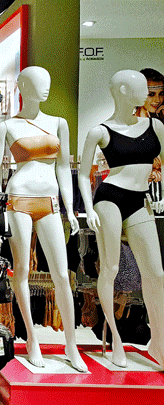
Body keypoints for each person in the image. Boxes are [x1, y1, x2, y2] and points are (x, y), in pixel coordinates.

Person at [0, 66, 88, 372]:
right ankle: (32, 339)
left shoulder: (59, 123)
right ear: (22, 86)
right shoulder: (6, 126)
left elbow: (64, 168)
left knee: (61, 274)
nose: (44, 87)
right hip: (18, 198)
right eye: (36, 82)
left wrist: (70, 208)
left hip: (50, 201)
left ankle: (71, 344)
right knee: (21, 271)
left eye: (47, 81)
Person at [78, 70, 164, 368]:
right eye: (141, 87)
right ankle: (114, 337)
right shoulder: (100, 131)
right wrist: (88, 208)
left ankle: (159, 342)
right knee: (111, 268)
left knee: (156, 274)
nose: (148, 93)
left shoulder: (155, 126)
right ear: (122, 90)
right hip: (110, 198)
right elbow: (83, 174)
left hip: (140, 200)